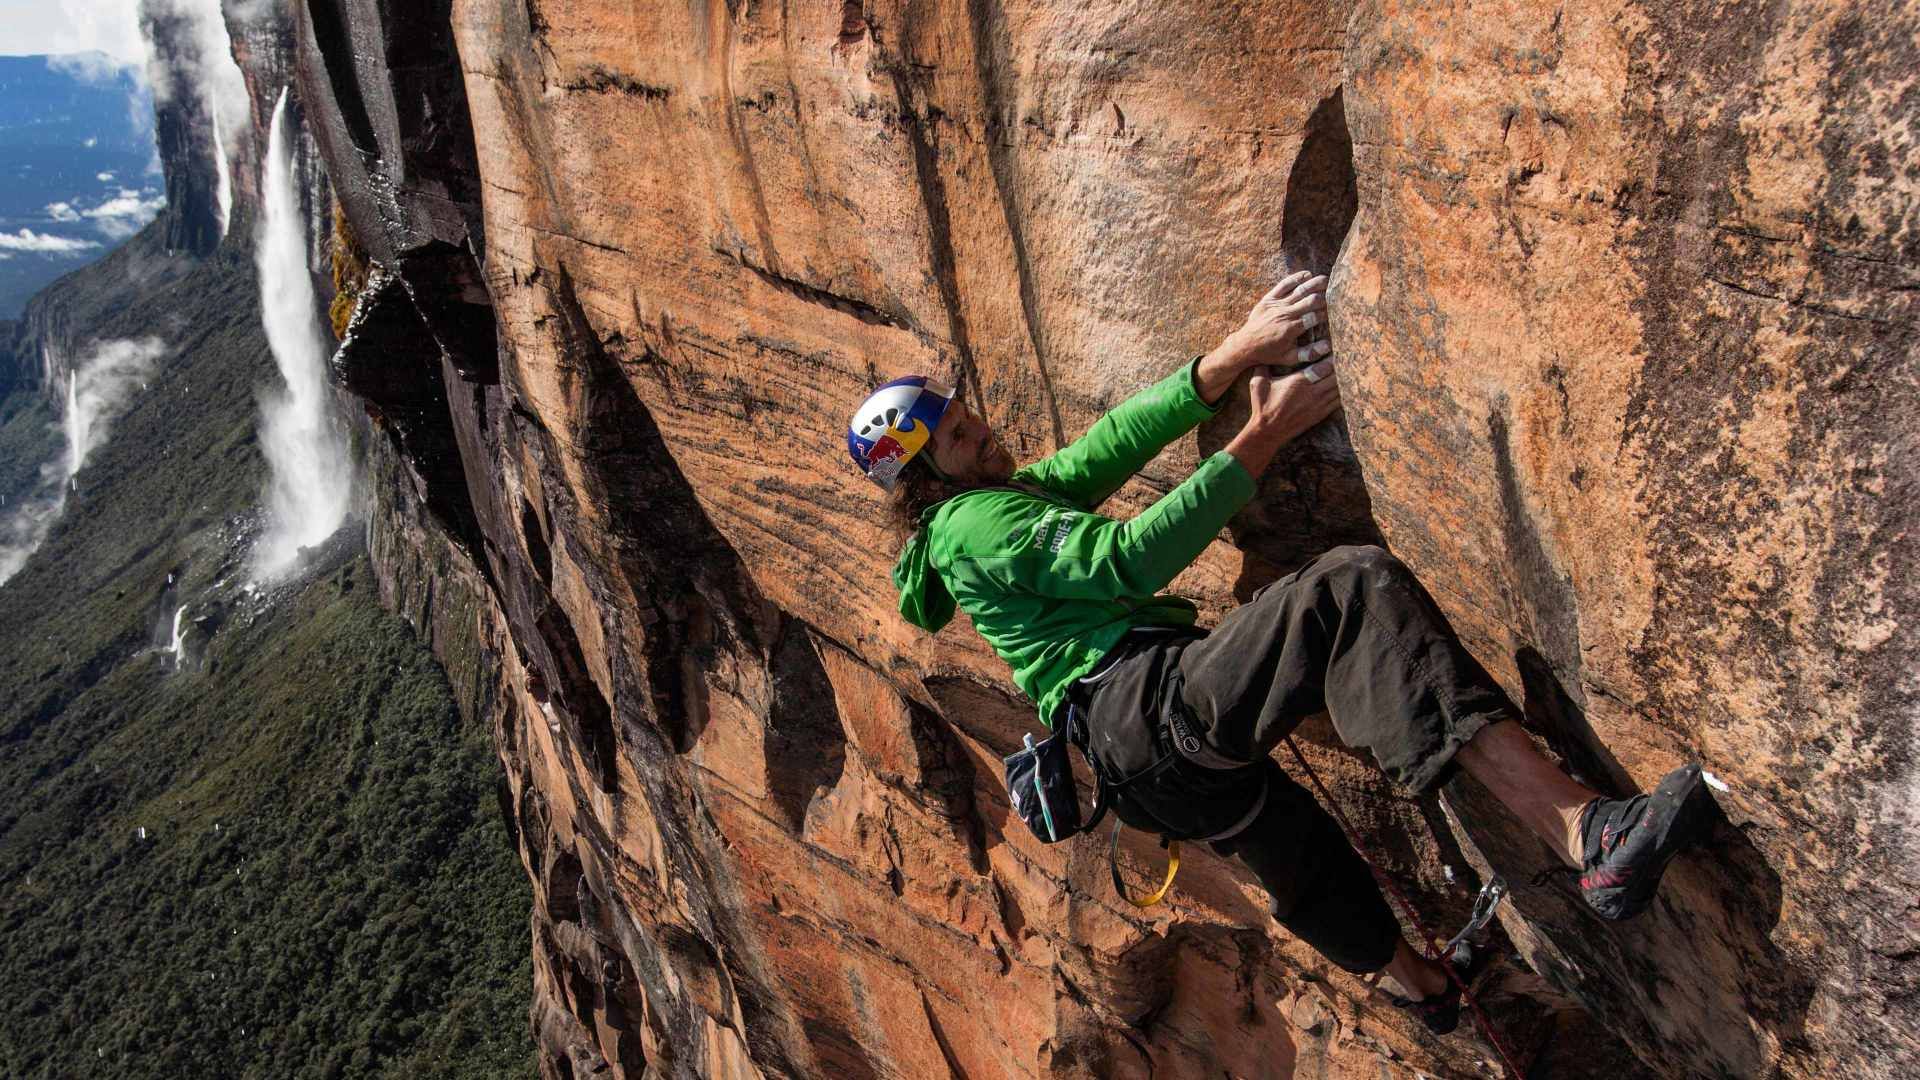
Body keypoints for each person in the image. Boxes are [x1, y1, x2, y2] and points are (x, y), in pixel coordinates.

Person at [847, 271, 1716, 1034]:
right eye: (959, 438)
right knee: (1348, 588)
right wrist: (1258, 437)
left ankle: (1424, 990)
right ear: (924, 480)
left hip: (1140, 766)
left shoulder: (989, 498)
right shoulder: (973, 522)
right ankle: (1584, 832)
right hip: (1142, 705)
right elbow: (1125, 561)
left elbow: (1105, 448)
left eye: (966, 417)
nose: (984, 433)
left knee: (1297, 851)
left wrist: (1223, 362)